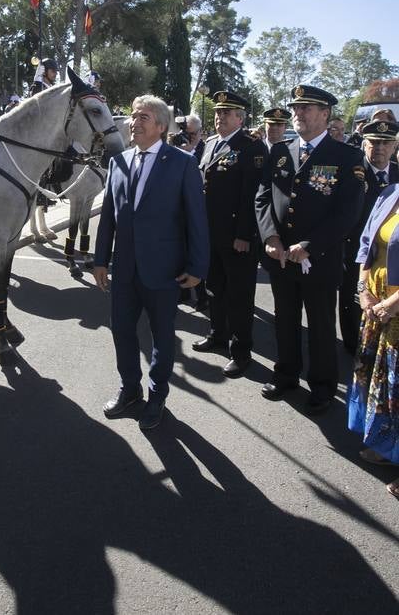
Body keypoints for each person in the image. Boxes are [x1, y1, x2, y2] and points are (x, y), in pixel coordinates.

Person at [94, 95, 209, 430]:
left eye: (143, 117)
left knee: (162, 337)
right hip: (125, 270)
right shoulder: (119, 162)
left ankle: (157, 395)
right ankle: (129, 390)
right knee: (122, 333)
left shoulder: (182, 163)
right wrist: (101, 260)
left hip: (164, 271)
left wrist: (198, 267)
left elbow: (196, 221)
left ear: (161, 126)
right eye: (132, 116)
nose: (134, 121)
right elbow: (109, 218)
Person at [255, 84, 364, 414]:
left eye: (307, 108)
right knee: (284, 320)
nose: (298, 113)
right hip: (282, 258)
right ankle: (286, 374)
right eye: (296, 107)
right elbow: (263, 197)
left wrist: (310, 246)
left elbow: (348, 212)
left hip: (320, 259)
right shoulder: (280, 150)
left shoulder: (346, 156)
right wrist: (270, 237)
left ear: (325, 114)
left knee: (319, 326)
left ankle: (322, 386)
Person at [193, 90, 267, 377]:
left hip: (238, 236)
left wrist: (245, 234)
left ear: (241, 117)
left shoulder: (251, 146)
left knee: (240, 296)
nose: (220, 117)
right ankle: (217, 335)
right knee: (215, 290)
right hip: (211, 234)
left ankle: (241, 351)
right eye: (217, 112)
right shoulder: (210, 143)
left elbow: (253, 195)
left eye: (227, 113)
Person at [348, 180, 399, 499]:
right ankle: (387, 445)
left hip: (392, 307)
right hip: (377, 306)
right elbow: (367, 245)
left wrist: (392, 304)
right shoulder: (390, 191)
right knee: (384, 384)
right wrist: (363, 290)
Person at [339, 120, 399, 354]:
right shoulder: (352, 172)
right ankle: (353, 345)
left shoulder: (397, 174)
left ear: (394, 147)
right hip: (355, 250)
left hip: (390, 257)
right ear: (364, 144)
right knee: (352, 301)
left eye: (385, 143)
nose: (379, 148)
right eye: (374, 142)